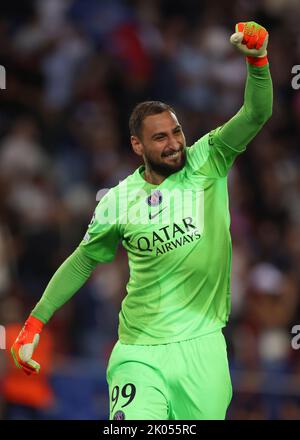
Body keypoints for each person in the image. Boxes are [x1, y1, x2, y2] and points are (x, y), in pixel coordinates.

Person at [11, 21, 273, 420]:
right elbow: (83, 260)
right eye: (160, 138)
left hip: (203, 345)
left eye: (177, 132)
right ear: (138, 146)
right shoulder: (117, 201)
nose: (175, 144)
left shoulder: (209, 159)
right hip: (138, 351)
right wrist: (36, 320)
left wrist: (258, 61)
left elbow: (256, 113)